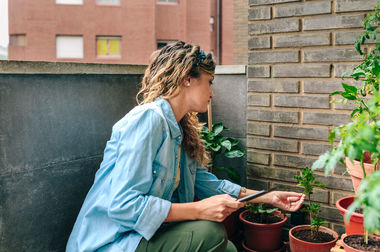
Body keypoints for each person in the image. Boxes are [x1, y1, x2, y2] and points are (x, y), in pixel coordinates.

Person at [66, 41, 305, 252]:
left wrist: (269, 197)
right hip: (112, 242)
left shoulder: (180, 130)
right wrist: (199, 210)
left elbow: (211, 185)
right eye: (209, 82)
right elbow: (123, 206)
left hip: (144, 236)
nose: (212, 93)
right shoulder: (148, 120)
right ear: (187, 79)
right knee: (210, 234)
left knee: (229, 249)